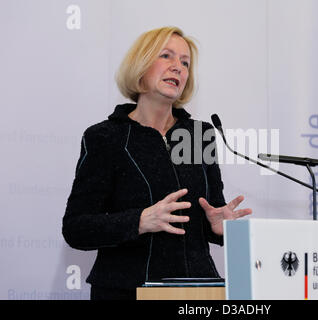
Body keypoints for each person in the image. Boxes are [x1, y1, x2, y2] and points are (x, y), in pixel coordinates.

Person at [62, 26, 252, 300]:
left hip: (197, 292)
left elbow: (211, 210)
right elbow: (76, 228)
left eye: (185, 63)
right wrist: (139, 220)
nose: (178, 68)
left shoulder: (199, 135)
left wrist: (219, 228)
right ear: (140, 65)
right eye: (167, 56)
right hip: (126, 290)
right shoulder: (106, 137)